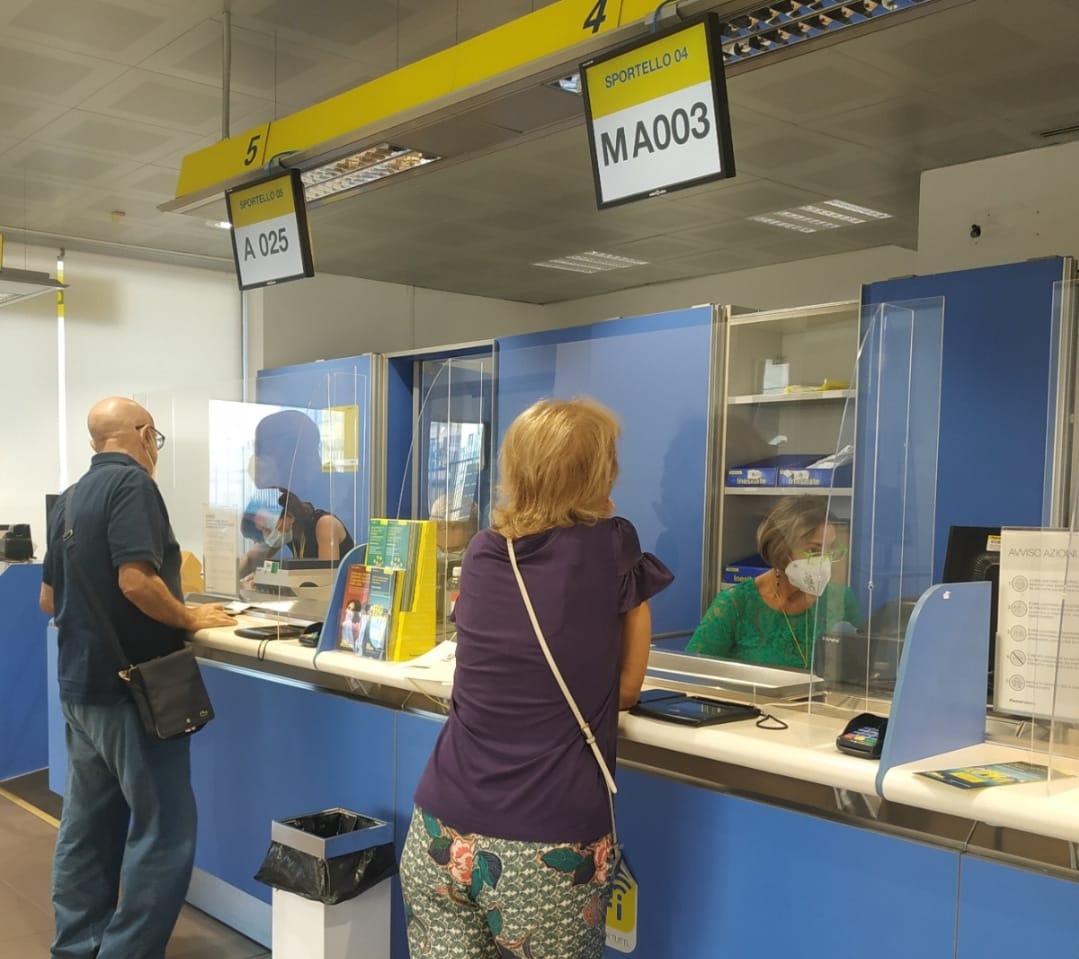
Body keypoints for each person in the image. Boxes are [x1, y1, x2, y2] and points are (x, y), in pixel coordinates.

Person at [400, 397, 673, 959]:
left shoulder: (483, 551)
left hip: (439, 831)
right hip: (544, 846)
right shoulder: (611, 546)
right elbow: (627, 688)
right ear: (600, 474)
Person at [39, 397, 236, 959]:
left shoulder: (71, 497)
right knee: (164, 832)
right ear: (145, 434)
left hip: (81, 688)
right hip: (133, 692)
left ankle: (76, 946)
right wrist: (189, 616)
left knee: (87, 829)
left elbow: (48, 598)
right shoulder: (134, 486)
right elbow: (136, 581)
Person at [686, 496, 859, 668]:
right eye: (813, 550)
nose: (825, 561)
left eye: (830, 550)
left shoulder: (842, 600)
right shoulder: (736, 604)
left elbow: (861, 669)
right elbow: (693, 672)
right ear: (781, 549)